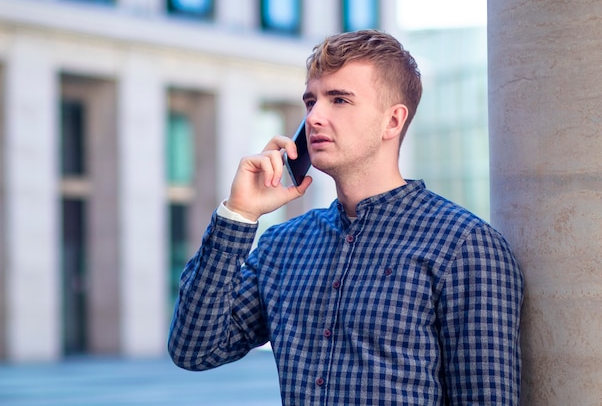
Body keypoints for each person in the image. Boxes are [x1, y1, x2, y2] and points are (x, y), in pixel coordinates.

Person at [168, 29, 524, 405]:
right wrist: (238, 215)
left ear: (393, 121)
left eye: (339, 100)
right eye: (311, 102)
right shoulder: (283, 246)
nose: (314, 118)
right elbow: (195, 349)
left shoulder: (464, 246)